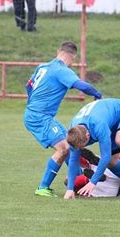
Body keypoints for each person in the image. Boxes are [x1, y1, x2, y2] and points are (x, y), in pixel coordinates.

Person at [24, 41, 102, 197]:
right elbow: (82, 86)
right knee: (64, 149)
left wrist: (33, 104)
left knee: (70, 144)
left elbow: (29, 86)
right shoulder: (61, 70)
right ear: (73, 57)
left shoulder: (43, 67)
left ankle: (79, 179)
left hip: (37, 114)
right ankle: (43, 187)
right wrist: (97, 95)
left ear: (58, 51)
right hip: (40, 117)